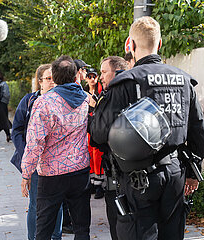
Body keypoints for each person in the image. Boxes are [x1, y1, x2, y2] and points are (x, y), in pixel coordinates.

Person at [89, 16, 204, 240]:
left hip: (138, 179)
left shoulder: (126, 82)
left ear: (130, 45)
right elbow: (198, 131)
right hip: (174, 174)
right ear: (160, 44)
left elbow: (98, 134)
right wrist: (193, 172)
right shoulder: (183, 81)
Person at [21, 55, 91, 240]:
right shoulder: (86, 99)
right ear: (75, 75)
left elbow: (35, 142)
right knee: (82, 227)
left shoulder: (44, 102)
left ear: (55, 76)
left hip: (52, 175)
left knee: (43, 228)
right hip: (80, 170)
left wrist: (26, 173)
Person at [11, 64, 63, 240]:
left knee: (58, 205)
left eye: (54, 79)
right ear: (39, 81)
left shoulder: (62, 101)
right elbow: (17, 129)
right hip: (35, 163)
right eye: (48, 79)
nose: (52, 82)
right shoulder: (29, 101)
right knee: (35, 205)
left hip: (57, 163)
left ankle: (56, 237)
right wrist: (26, 153)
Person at [89, 56, 128, 240]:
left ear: (117, 72)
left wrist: (92, 118)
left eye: (104, 72)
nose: (100, 77)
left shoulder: (111, 95)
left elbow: (98, 136)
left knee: (118, 222)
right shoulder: (136, 89)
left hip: (117, 172)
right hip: (139, 172)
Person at [83, 68, 104, 199]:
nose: (92, 79)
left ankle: (99, 185)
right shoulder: (83, 92)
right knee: (89, 152)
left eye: (94, 77)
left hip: (96, 125)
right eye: (89, 77)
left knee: (97, 154)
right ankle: (92, 182)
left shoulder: (101, 92)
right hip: (87, 125)